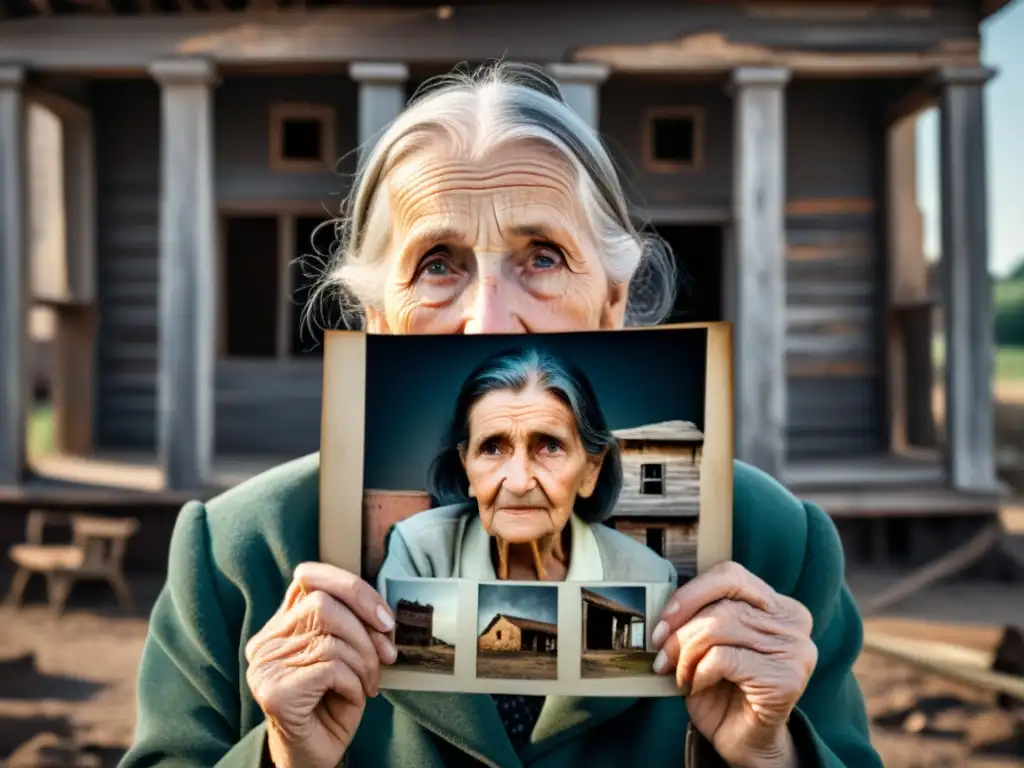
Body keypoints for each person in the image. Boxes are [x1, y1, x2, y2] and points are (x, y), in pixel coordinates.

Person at [121, 62, 883, 768]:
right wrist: (281, 757)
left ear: (612, 303)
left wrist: (771, 753)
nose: (487, 320)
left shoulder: (773, 545)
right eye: (438, 263)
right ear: (379, 315)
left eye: (542, 257)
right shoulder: (235, 556)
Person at [377, 345, 676, 585]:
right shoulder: (420, 553)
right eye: (492, 448)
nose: (519, 483)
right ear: (466, 465)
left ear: (590, 470)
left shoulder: (648, 576)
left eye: (550, 447)